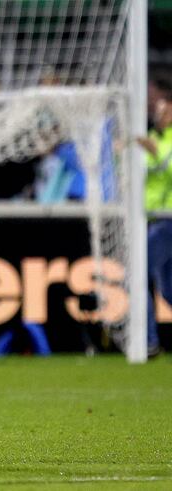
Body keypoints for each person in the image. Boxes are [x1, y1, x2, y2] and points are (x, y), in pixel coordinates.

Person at [137, 94, 172, 357]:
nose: (160, 116)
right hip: (151, 218)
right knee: (169, 290)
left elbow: (165, 167)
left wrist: (154, 152)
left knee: (137, 275)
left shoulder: (164, 143)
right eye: (158, 111)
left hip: (168, 219)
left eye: (165, 111)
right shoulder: (153, 139)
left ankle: (147, 342)